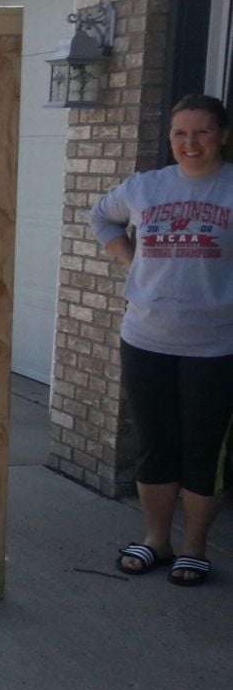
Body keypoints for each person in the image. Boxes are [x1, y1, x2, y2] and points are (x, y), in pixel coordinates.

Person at [89, 92, 233, 586]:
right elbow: (100, 216)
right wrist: (132, 261)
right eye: (180, 134)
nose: (190, 143)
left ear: (222, 135)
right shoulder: (145, 187)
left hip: (216, 346)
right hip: (146, 337)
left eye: (202, 132)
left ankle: (194, 547)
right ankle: (156, 540)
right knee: (154, 445)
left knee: (203, 450)